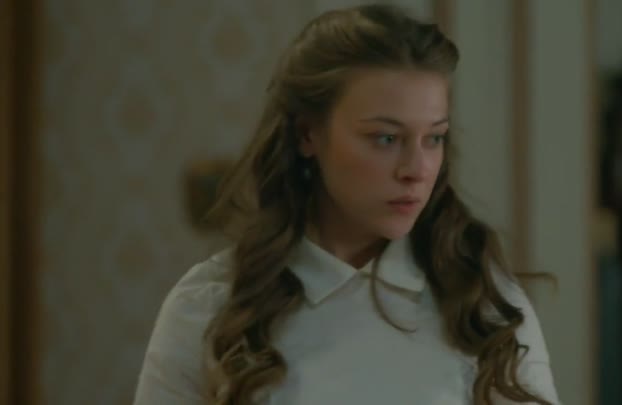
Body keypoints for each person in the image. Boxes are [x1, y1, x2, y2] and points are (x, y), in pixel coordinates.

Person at [133, 4, 560, 405]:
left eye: (433, 138)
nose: (417, 169)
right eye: (386, 138)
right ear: (308, 134)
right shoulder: (208, 304)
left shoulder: (482, 304)